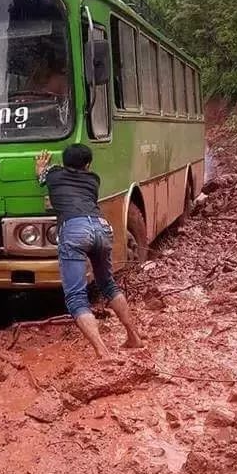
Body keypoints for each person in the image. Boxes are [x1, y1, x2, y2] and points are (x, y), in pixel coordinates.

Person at [36, 143, 143, 360]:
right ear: (88, 164)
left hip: (74, 230)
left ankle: (103, 352)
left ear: (64, 163)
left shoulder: (54, 175)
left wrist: (41, 166)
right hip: (100, 227)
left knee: (76, 297)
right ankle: (134, 338)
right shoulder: (93, 179)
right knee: (108, 284)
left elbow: (41, 176)